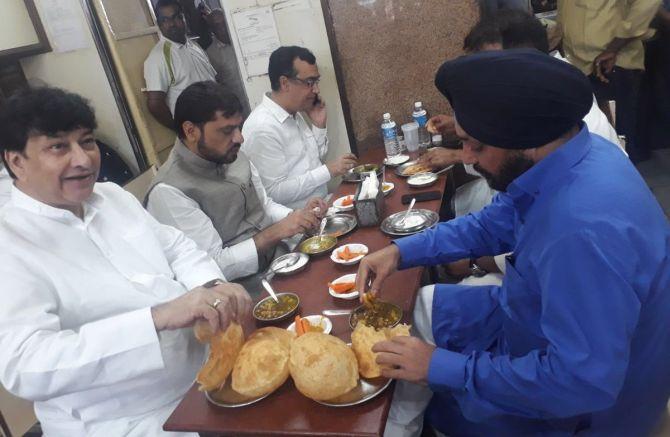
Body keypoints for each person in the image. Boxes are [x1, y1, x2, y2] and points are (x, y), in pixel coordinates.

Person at [357, 50, 670, 436]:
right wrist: (402, 251)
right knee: (419, 306)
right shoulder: (571, 152)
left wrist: (439, 367)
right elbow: (493, 223)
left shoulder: (581, 231)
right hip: (535, 320)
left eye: (477, 146)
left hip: (588, 410)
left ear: (526, 140)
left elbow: (582, 382)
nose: (467, 158)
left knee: (441, 409)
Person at [0, 87, 253, 437]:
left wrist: (212, 287)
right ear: (16, 161)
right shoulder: (9, 243)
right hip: (126, 422)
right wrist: (157, 318)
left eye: (86, 141)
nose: (83, 159)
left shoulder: (112, 196)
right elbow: (27, 365)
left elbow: (177, 246)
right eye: (58, 146)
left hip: (206, 377)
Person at [421, 8, 620, 218]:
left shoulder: (562, 113)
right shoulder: (534, 89)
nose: (478, 80)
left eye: (488, 69)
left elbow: (513, 207)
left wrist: (457, 155)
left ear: (525, 60)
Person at [146, 81, 325, 293]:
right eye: (227, 130)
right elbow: (212, 265)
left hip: (279, 260)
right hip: (241, 290)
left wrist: (298, 217)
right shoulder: (169, 191)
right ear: (191, 131)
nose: (239, 138)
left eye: (238, 127)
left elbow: (264, 205)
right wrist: (275, 233)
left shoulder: (232, 154)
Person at [241, 46, 358, 209]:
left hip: (323, 204)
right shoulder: (262, 127)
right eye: (309, 82)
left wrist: (318, 125)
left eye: (316, 82)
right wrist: (328, 170)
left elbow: (312, 163)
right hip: (298, 223)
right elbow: (273, 192)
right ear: (285, 83)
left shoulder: (293, 112)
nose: (316, 90)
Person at [557, 0, 661, 161]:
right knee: (597, 131)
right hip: (576, 60)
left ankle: (627, 180)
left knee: (624, 139)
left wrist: (614, 47)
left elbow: (646, 3)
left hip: (614, 57)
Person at [144, 0, 216, 128]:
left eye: (176, 17)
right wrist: (182, 131)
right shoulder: (158, 57)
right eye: (165, 20)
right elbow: (155, 104)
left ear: (184, 17)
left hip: (216, 120)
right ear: (159, 24)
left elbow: (213, 79)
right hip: (197, 130)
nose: (171, 24)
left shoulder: (194, 46)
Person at [202, 7, 251, 117]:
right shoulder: (211, 54)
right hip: (238, 110)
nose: (223, 28)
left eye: (224, 23)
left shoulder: (243, 39)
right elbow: (215, 86)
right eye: (217, 25)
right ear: (212, 29)